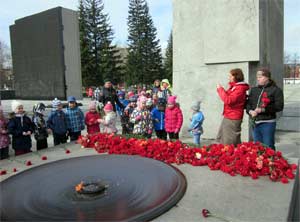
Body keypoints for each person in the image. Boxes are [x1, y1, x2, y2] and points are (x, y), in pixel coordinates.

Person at [246, 68, 284, 150]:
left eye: (260, 76)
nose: (258, 78)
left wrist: (262, 110)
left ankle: (272, 162)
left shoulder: (276, 90)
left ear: (267, 77)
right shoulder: (254, 90)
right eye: (257, 76)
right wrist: (250, 111)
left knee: (268, 145)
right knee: (257, 146)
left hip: (268, 123)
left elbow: (279, 106)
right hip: (255, 123)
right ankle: (261, 162)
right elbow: (248, 104)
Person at [216, 68, 249, 146]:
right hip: (229, 115)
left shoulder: (239, 88)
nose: (229, 78)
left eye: (231, 76)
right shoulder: (235, 87)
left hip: (233, 117)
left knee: (229, 141)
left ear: (236, 77)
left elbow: (228, 100)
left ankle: (231, 156)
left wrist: (220, 89)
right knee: (223, 138)